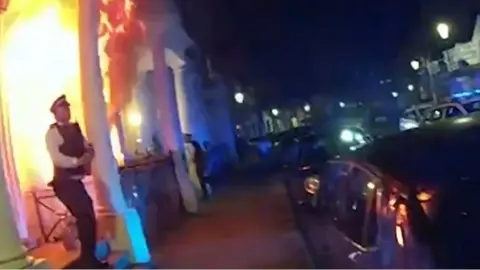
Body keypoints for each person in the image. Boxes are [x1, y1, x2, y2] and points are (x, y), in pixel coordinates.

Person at [45, 95, 107, 268]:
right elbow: (58, 158)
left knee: (88, 217)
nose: (66, 111)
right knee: (85, 216)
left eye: (67, 108)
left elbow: (87, 147)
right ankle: (87, 260)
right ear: (55, 113)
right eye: (62, 109)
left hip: (75, 182)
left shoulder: (75, 129)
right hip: (64, 183)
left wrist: (89, 154)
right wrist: (78, 162)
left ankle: (89, 258)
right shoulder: (52, 133)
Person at [184, 134, 209, 199]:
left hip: (196, 164)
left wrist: (189, 163)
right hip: (199, 164)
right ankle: (205, 192)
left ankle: (204, 193)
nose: (184, 139)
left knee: (198, 179)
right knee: (200, 179)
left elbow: (192, 156)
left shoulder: (190, 145)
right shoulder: (194, 144)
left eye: (185, 137)